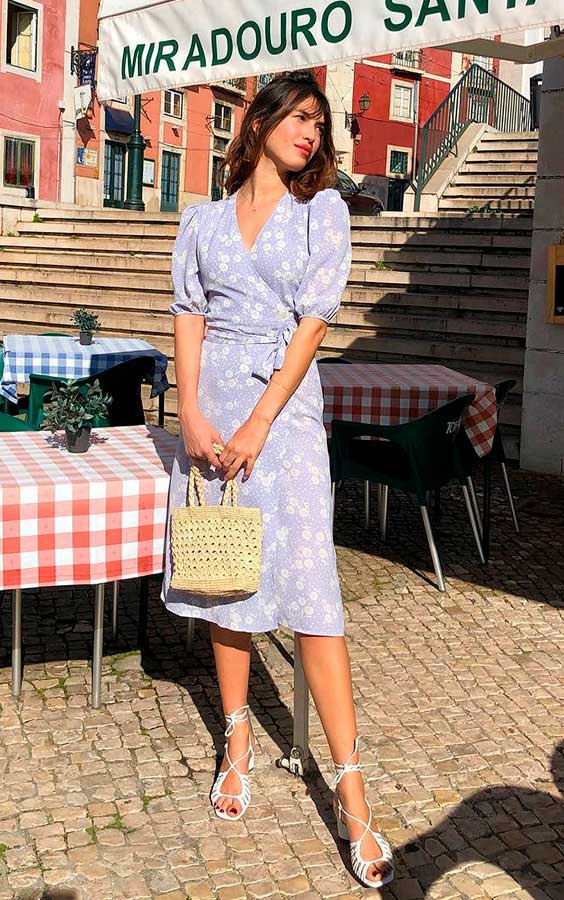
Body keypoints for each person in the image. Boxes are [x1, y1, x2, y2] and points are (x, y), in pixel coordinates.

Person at [161, 70, 394, 890]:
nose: (311, 132)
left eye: (319, 123)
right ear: (259, 121)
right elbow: (187, 316)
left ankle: (352, 791)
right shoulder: (202, 220)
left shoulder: (321, 212)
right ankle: (237, 737)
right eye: (298, 116)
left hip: (284, 415)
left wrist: (260, 420)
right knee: (226, 577)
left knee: (311, 593)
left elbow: (314, 325)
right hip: (213, 405)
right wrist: (191, 414)